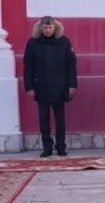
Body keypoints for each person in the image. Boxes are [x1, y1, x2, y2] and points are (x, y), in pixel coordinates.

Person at [22, 16, 77, 157]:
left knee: (60, 120)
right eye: (45, 28)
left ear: (55, 27)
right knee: (43, 119)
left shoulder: (64, 42)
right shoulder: (33, 43)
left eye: (50, 27)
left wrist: (72, 85)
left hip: (60, 87)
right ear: (40, 28)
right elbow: (28, 67)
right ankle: (47, 147)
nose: (48, 30)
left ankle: (61, 147)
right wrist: (29, 87)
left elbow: (71, 65)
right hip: (41, 87)